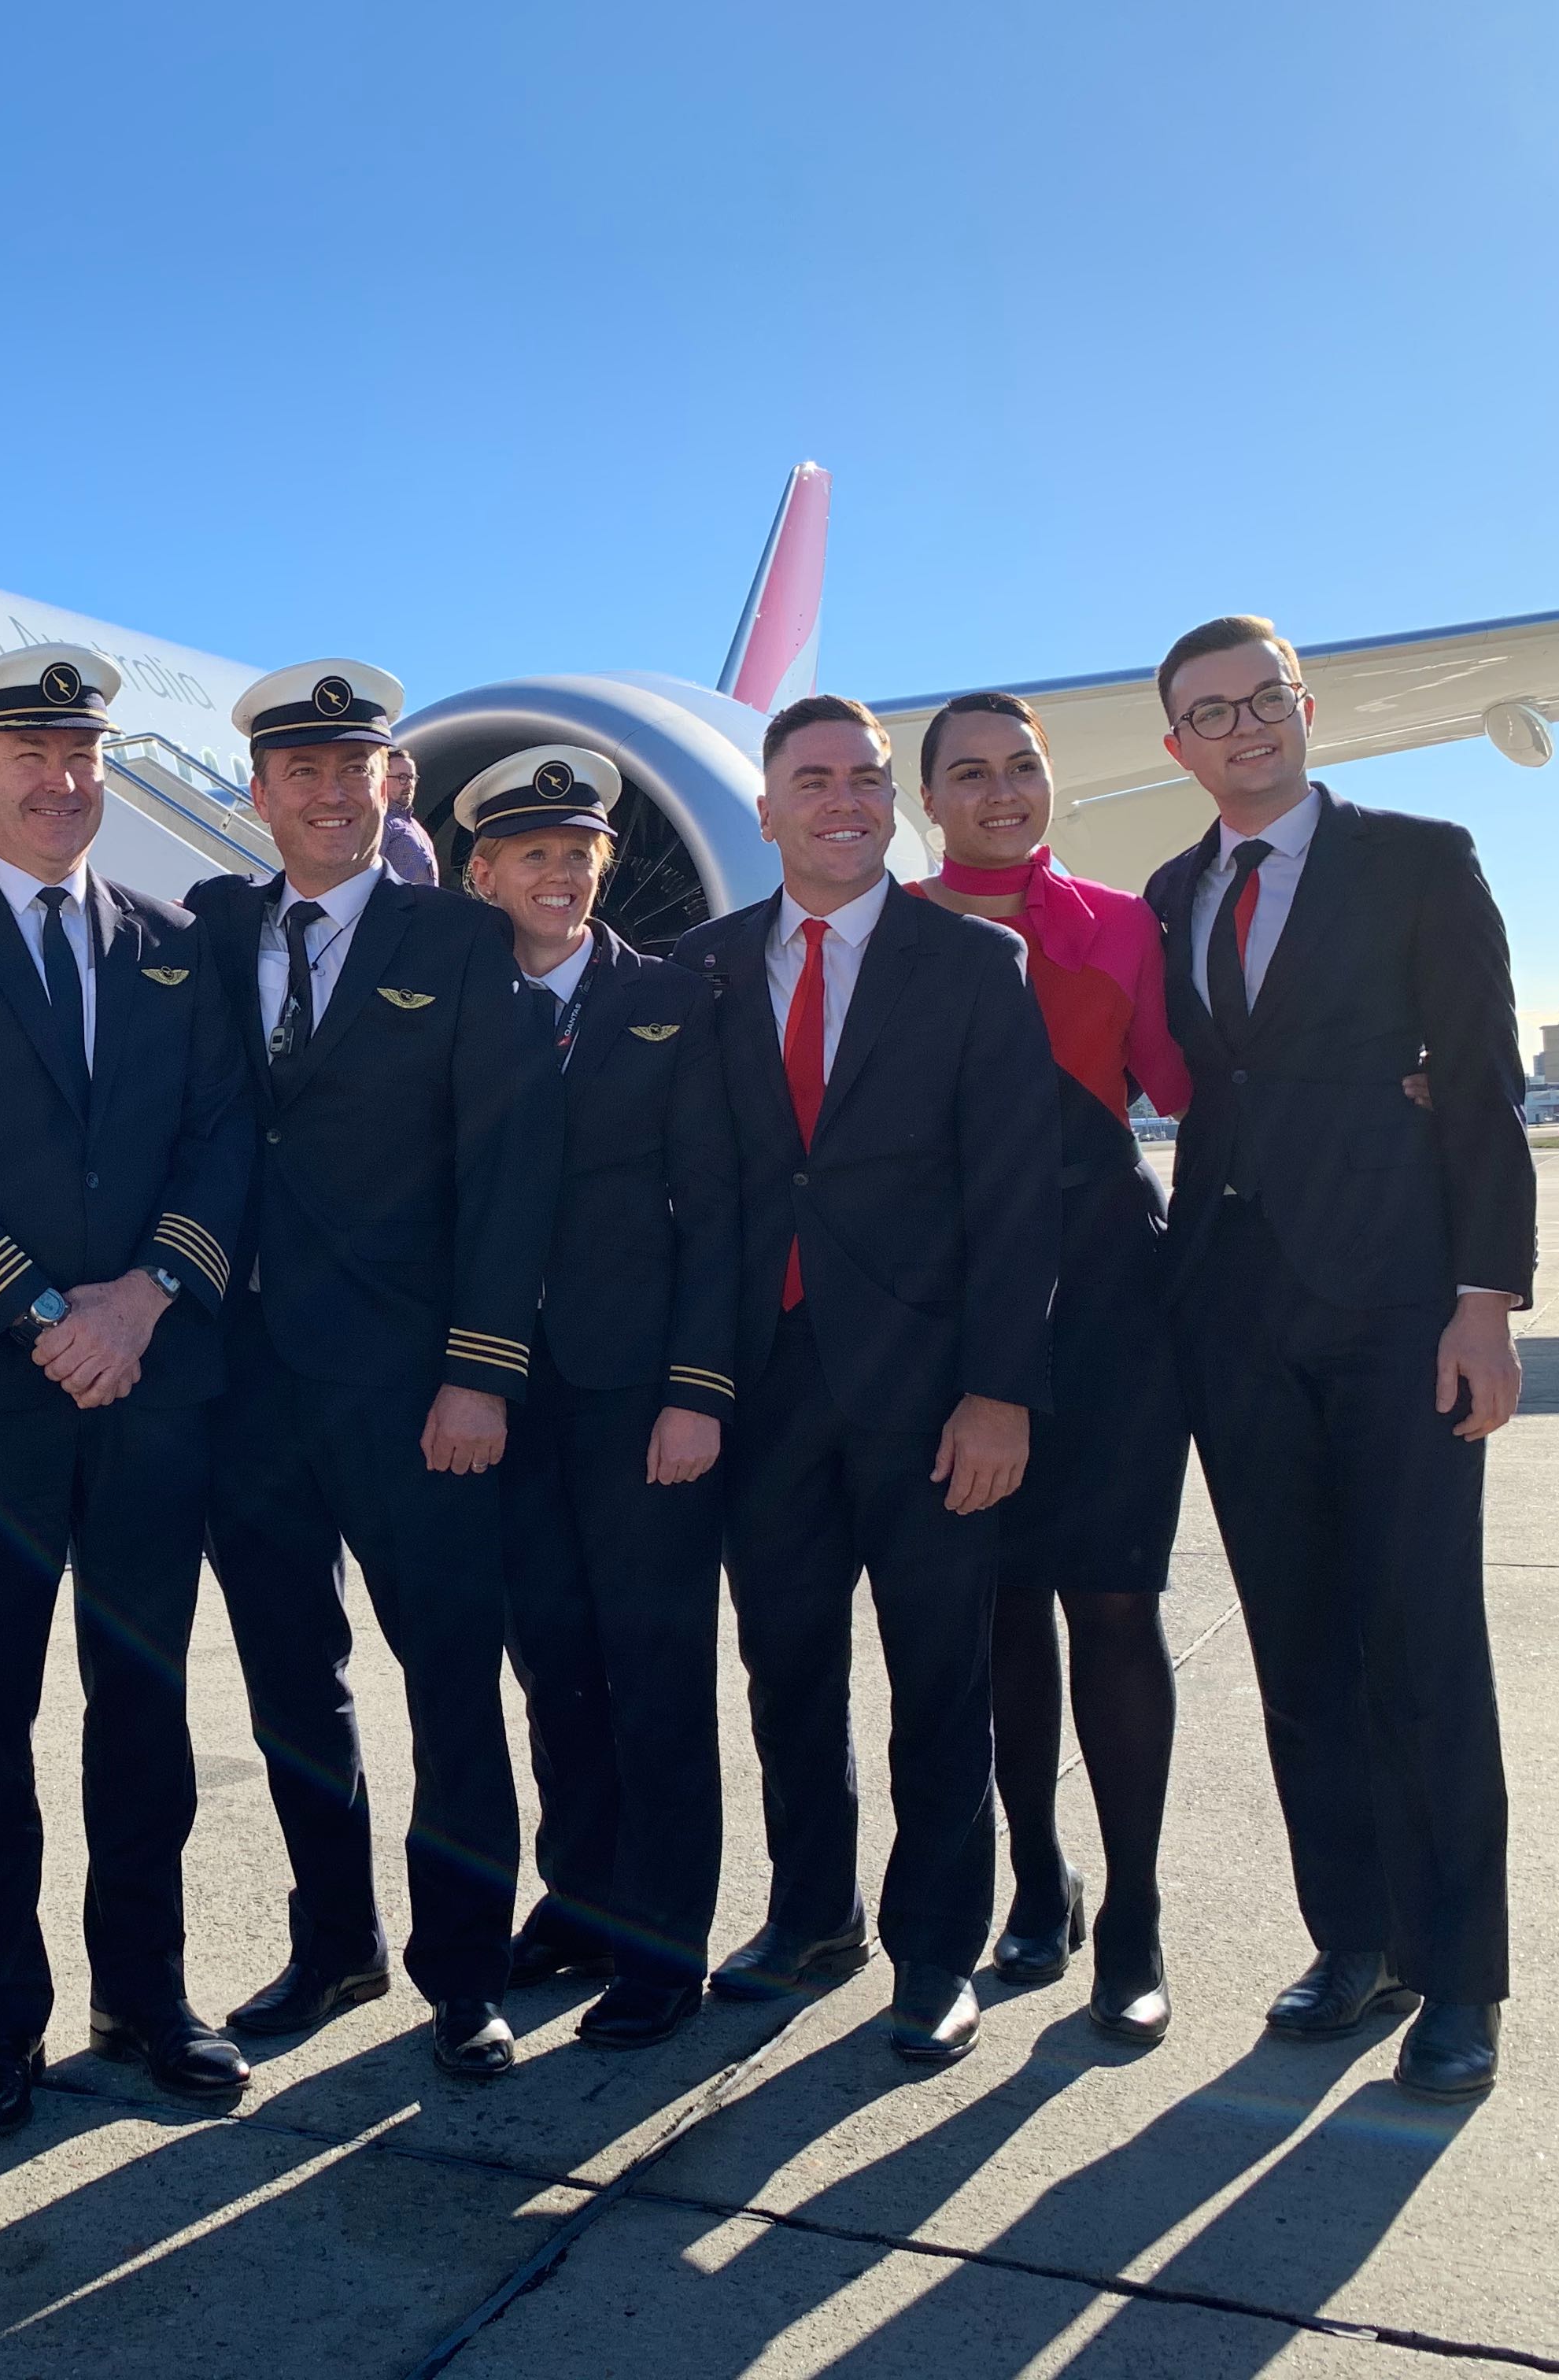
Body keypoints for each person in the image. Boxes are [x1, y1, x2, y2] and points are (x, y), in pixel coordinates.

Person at [0, 645, 257, 2140]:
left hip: (148, 1379)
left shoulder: (168, 941)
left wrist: (142, 1298)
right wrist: (38, 1312)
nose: (58, 780)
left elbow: (223, 1142)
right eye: (26, 754)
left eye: (80, 755)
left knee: (141, 1702)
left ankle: (142, 1994)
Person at [1141, 615, 1531, 2101]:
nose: (1238, 728)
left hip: (1395, 1308)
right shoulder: (1173, 890)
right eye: (1207, 713)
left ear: (1304, 709)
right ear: (1174, 745)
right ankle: (1352, 1936)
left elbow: (1482, 1086)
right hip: (1233, 1314)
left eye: (1259, 701)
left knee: (1424, 1643)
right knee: (1298, 1644)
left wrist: (1482, 1300)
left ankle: (1461, 1972)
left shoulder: (1418, 856)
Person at [187, 660, 560, 2079]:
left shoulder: (461, 940)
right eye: (302, 771)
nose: (330, 794)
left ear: (388, 783)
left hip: (415, 1385)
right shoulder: (212, 928)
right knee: (292, 1675)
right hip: (250, 1383)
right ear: (261, 792)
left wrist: (480, 1369)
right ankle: (331, 1939)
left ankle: (463, 1970)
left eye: (356, 768)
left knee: (451, 1678)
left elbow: (509, 1167)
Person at [674, 693, 1058, 2068]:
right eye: (810, 778)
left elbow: (1020, 1199)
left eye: (864, 778)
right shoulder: (702, 967)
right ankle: (811, 1913)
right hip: (762, 1385)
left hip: (932, 1396)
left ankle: (935, 1948)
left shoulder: (973, 963)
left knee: (939, 1677)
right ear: (764, 808)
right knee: (785, 1667)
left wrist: (999, 1391)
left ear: (890, 802)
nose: (841, 799)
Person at [908, 693, 1189, 2046]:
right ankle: (1037, 1871)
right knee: (999, 1609)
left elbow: (1200, 1086)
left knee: (1115, 1603)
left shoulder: (1120, 922)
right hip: (957, 1301)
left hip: (1111, 1296)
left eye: (1021, 767)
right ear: (930, 799)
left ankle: (1131, 1909)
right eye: (969, 772)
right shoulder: (896, 929)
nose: (1001, 790)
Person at [456, 748, 737, 2050]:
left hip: (638, 1398)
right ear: (481, 872)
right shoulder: (456, 1001)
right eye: (533, 855)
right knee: (554, 1668)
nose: (560, 876)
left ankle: (663, 1942)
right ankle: (577, 1897)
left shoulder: (674, 999)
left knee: (656, 1671)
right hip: (505, 1400)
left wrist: (696, 1391)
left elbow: (720, 1213)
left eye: (579, 855)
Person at [379, 746, 438, 887]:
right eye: (402, 778)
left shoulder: (414, 825)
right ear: (382, 780)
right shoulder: (381, 822)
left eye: (412, 778)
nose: (409, 784)